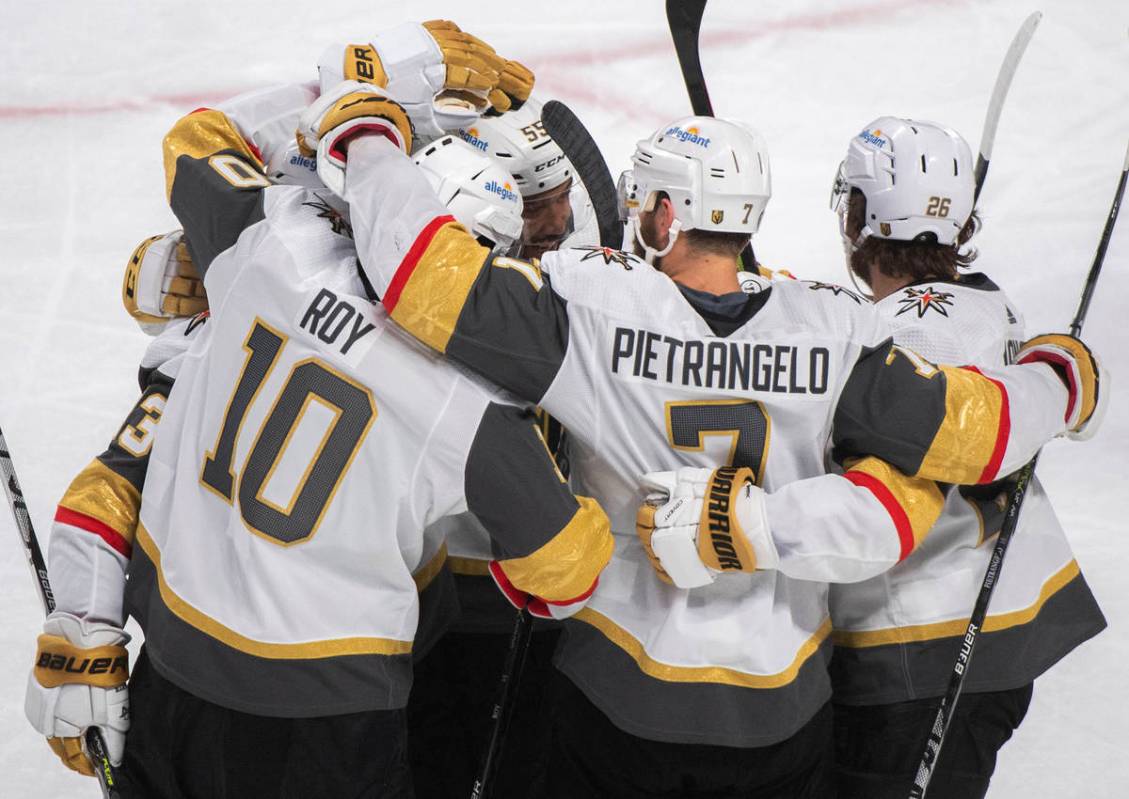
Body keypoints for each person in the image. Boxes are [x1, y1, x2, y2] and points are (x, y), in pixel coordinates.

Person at [291, 80, 1102, 796]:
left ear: (664, 214)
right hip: (780, 709)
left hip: (614, 693)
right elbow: (982, 432)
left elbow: (424, 282)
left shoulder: (586, 311)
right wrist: (1058, 378)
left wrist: (366, 135)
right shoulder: (835, 330)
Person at [24, 41, 616, 798]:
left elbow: (201, 138)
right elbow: (562, 575)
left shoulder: (273, 246)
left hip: (174, 680)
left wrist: (379, 91)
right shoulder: (473, 407)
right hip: (326, 723)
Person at [825, 117, 1107, 798]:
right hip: (1003, 637)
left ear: (861, 218)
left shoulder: (891, 335)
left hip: (913, 651)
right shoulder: (991, 306)